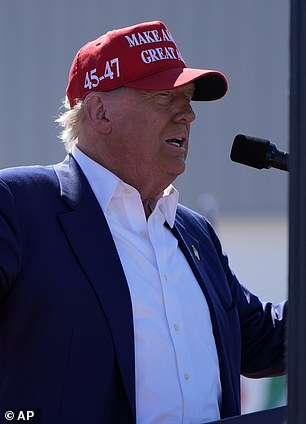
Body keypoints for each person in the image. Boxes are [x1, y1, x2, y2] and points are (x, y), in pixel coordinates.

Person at [0, 20, 286, 424]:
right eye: (165, 98)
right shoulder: (18, 205)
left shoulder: (194, 233)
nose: (187, 115)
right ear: (100, 112)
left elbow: (262, 341)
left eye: (188, 99)